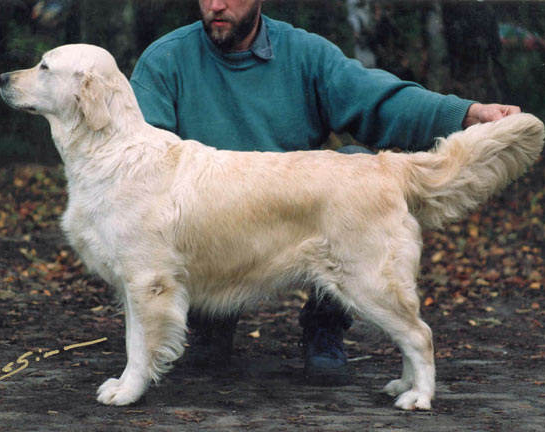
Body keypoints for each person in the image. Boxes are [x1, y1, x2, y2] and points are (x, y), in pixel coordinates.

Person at [129, 0, 520, 383]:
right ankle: (208, 326)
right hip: (210, 232)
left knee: (352, 169)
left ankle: (325, 328)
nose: (215, 5)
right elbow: (142, 169)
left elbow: (379, 99)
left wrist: (468, 113)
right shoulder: (164, 61)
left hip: (298, 216)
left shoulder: (304, 53)